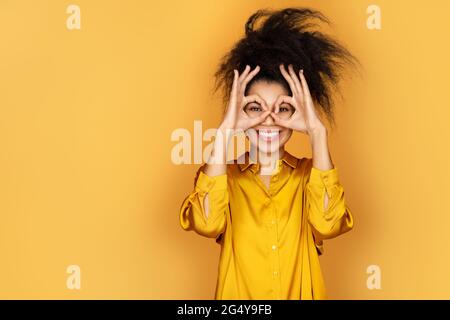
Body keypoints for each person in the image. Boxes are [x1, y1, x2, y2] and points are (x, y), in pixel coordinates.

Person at [179, 7, 357, 300]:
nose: (270, 119)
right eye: (255, 108)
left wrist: (317, 133)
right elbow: (206, 223)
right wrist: (225, 132)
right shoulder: (222, 178)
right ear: (239, 112)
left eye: (283, 108)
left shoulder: (308, 177)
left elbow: (329, 223)